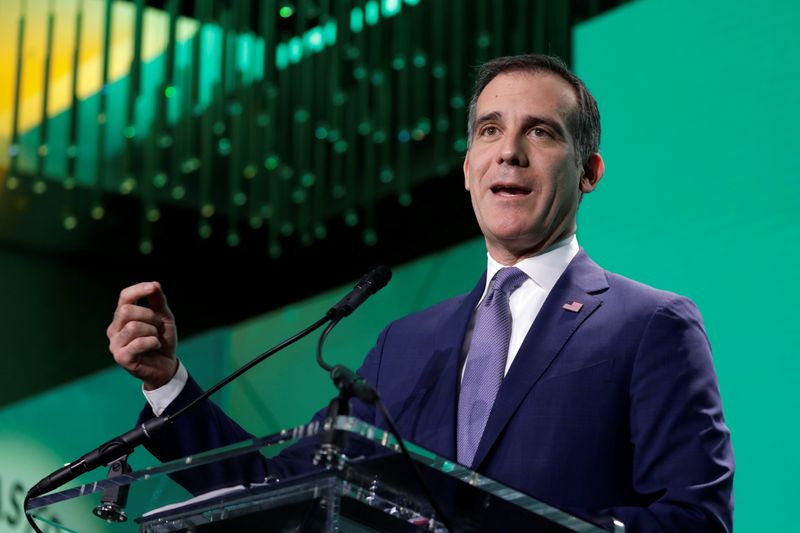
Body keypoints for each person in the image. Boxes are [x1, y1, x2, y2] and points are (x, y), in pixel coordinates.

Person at [108, 54, 734, 532]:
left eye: (541, 132)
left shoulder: (652, 324)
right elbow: (278, 484)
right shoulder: (406, 345)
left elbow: (695, 518)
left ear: (589, 171)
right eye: (489, 131)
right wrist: (168, 384)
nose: (509, 153)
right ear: (467, 171)